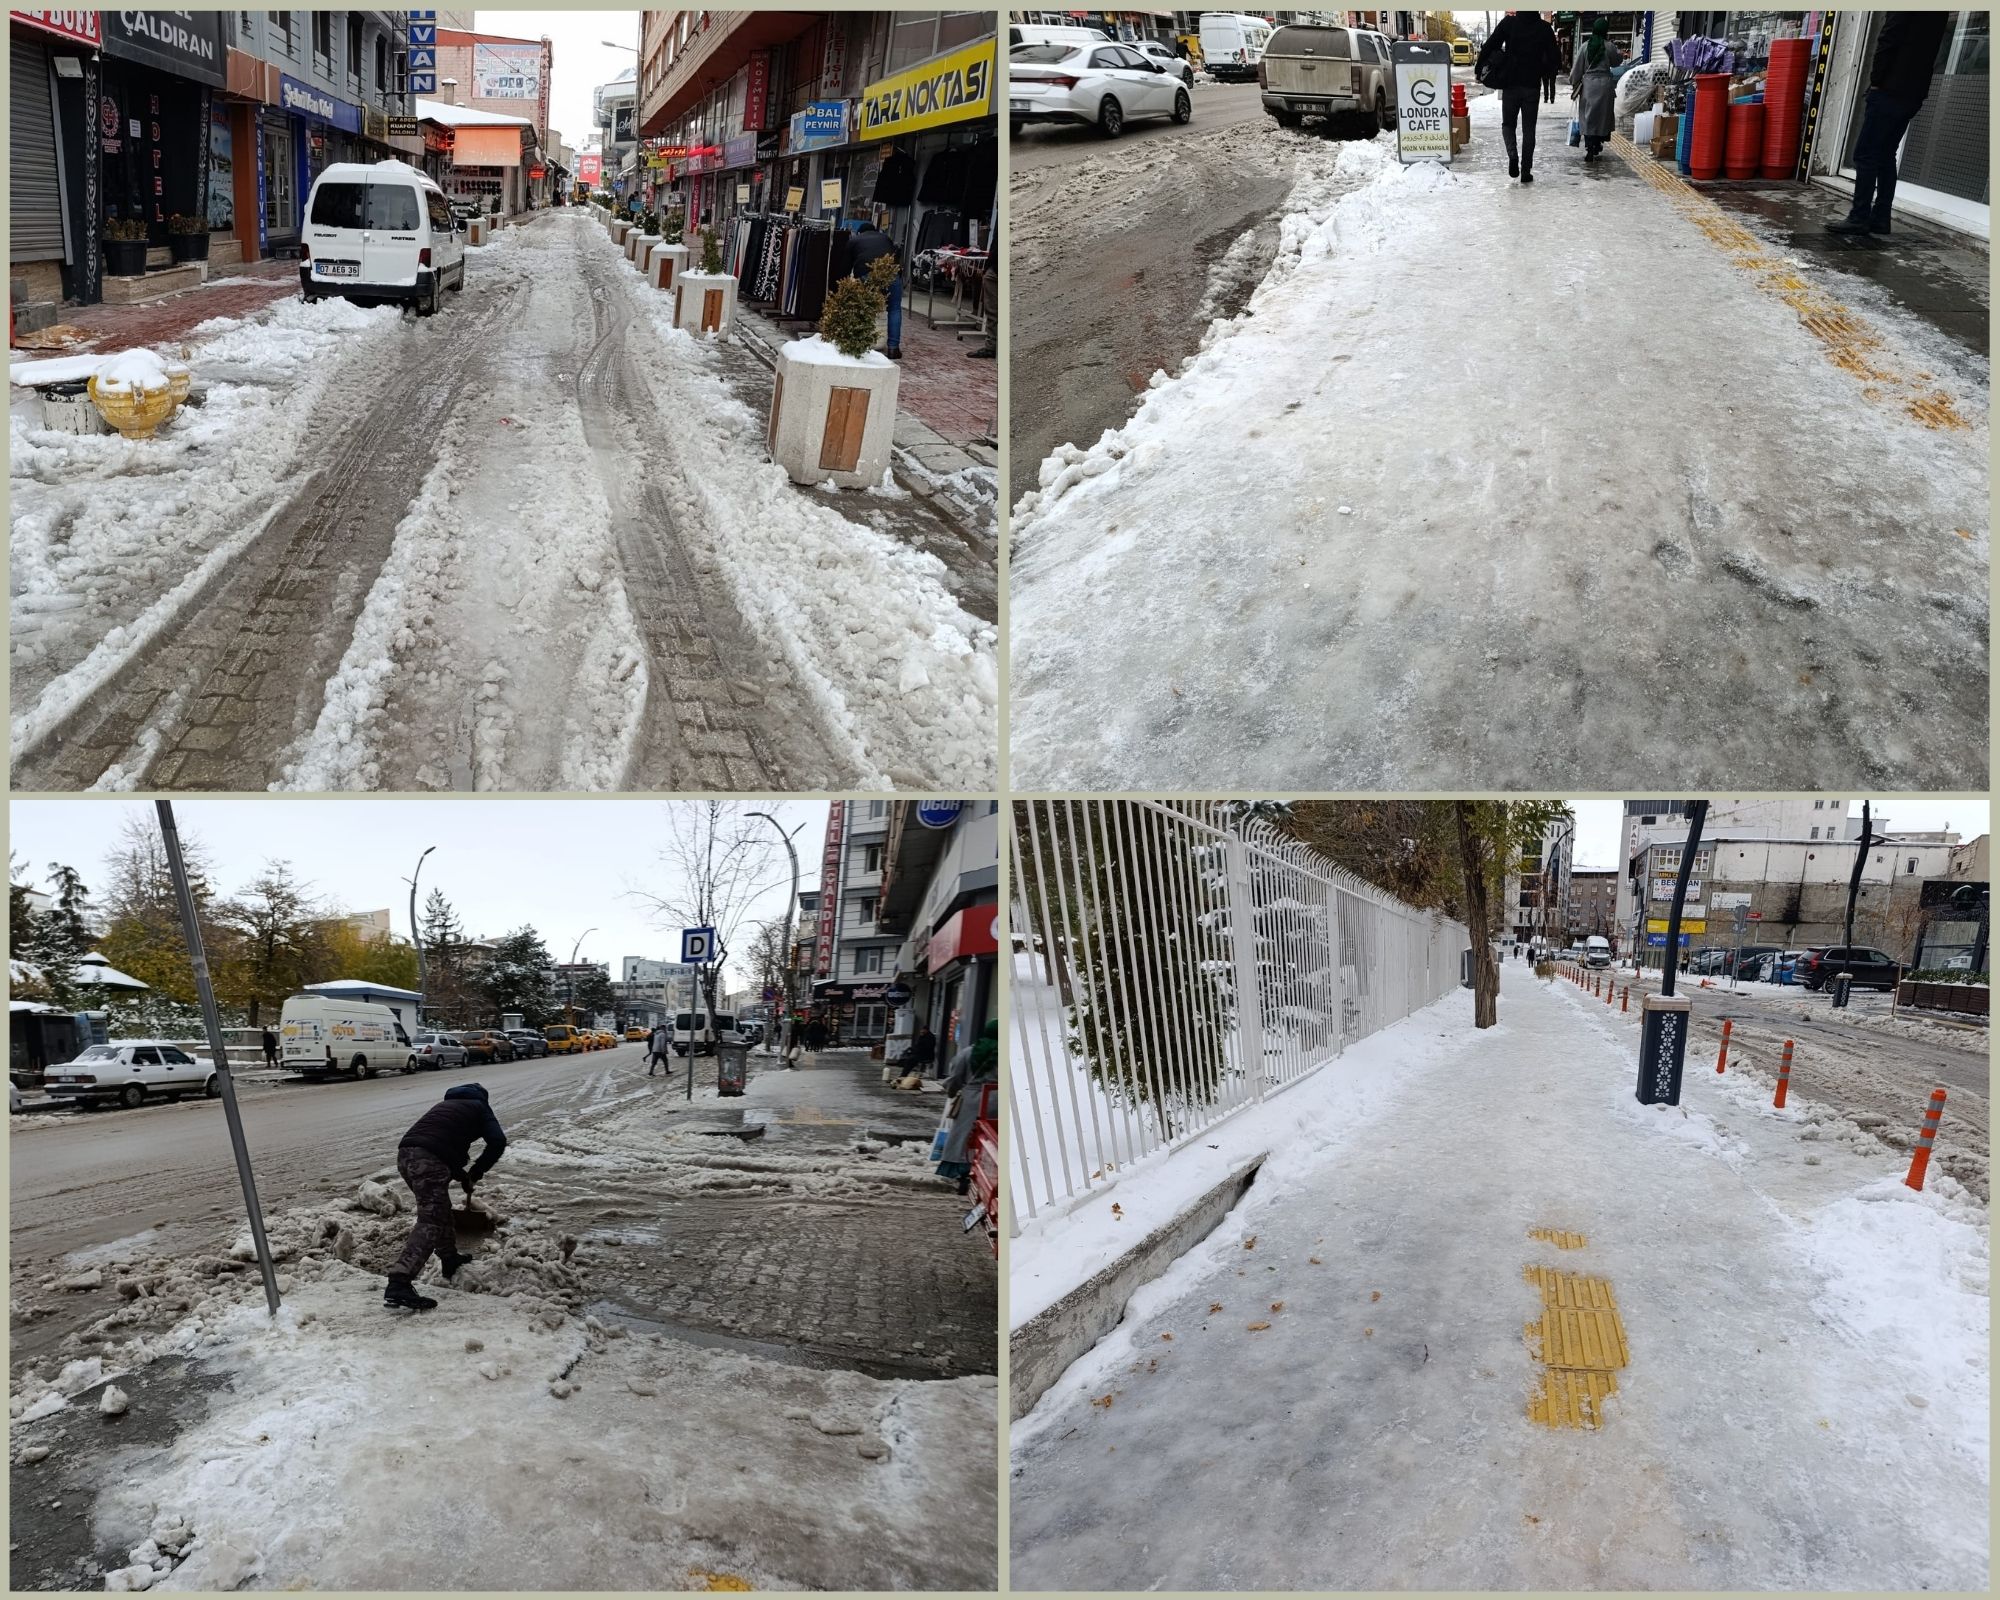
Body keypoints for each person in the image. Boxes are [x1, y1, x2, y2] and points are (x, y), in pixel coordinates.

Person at [384, 1083, 507, 1312]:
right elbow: (497, 1141)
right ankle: (399, 1282)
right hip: (428, 1159)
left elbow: (438, 1144)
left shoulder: (444, 1107)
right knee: (431, 1218)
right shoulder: (480, 1107)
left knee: (438, 1210)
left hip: (406, 1155)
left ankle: (449, 1257)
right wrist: (477, 1171)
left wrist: (463, 1176)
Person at [1829, 12, 1951, 237]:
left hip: (1890, 87)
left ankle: (1859, 217)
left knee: (1866, 154)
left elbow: (1888, 38)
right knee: (1886, 154)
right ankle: (1881, 218)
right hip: (1914, 90)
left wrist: (1877, 81)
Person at [1476, 9, 1561, 184]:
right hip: (1532, 86)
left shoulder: (1509, 23)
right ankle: (1526, 171)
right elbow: (1555, 60)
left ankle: (1512, 156)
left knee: (1508, 124)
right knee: (1529, 129)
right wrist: (1541, 71)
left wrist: (1479, 69)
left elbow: (1490, 45)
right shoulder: (1545, 28)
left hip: (1510, 84)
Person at [935, 1022, 998, 1193]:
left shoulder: (969, 1052)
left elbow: (955, 1077)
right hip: (998, 1100)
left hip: (971, 1100)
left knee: (964, 1137)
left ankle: (964, 1173)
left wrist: (951, 1091)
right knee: (993, 1139)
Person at [842, 213, 903, 361]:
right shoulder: (885, 238)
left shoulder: (854, 241)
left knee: (864, 307)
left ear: (859, 232)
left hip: (866, 275)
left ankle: (862, 344)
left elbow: (845, 267)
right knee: (894, 308)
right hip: (891, 274)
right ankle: (893, 349)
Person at [1570, 17, 1624, 162]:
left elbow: (1577, 69)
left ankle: (1589, 146)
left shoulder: (1585, 47)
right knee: (1602, 116)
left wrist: (1574, 82)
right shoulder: (1609, 46)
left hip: (1589, 86)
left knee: (1588, 116)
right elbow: (1617, 61)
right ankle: (1598, 142)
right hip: (1605, 85)